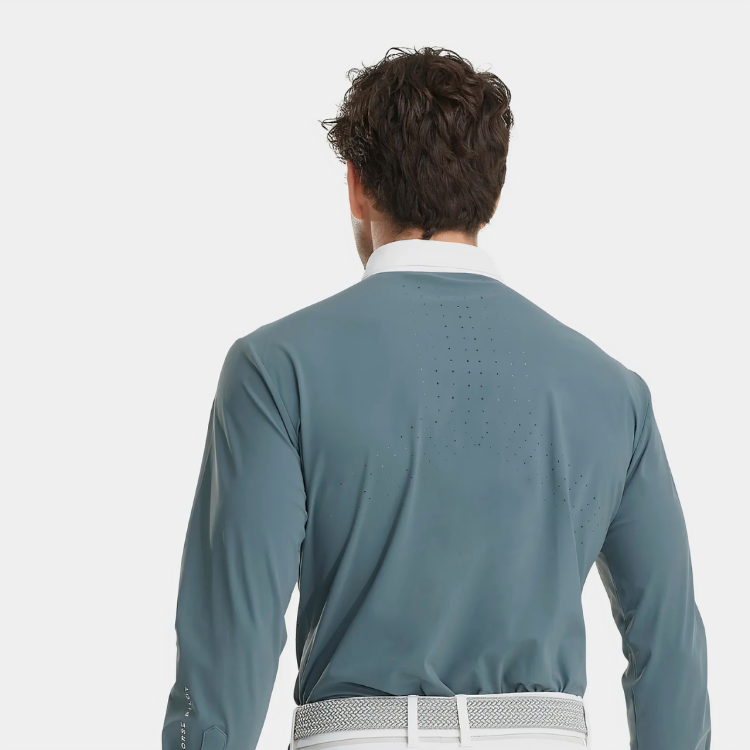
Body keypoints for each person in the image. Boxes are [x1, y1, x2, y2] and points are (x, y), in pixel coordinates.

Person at [161, 46, 710, 750]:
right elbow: (668, 641)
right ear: (494, 192)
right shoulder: (613, 391)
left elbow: (227, 646)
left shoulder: (275, 369)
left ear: (357, 184)